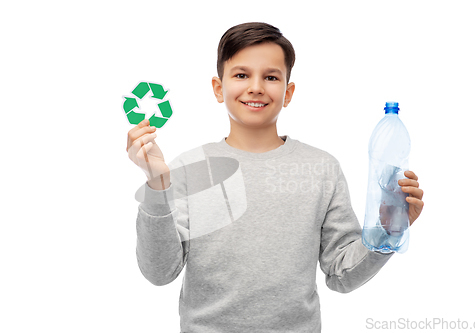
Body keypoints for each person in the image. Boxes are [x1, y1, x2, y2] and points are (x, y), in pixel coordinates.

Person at [126, 22, 424, 333]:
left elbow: (341, 274)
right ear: (218, 87)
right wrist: (156, 185)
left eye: (270, 77)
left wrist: (388, 231)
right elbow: (159, 272)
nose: (256, 87)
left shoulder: (321, 168)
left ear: (288, 91)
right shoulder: (189, 168)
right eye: (241, 75)